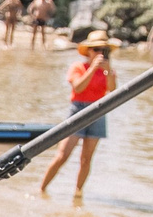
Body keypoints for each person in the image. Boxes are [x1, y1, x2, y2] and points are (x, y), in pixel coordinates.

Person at [41, 29, 120, 196]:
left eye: (103, 50)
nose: (99, 54)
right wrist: (92, 69)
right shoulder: (78, 67)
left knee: (86, 160)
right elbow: (78, 87)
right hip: (78, 110)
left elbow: (112, 90)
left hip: (99, 111)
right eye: (96, 49)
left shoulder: (108, 70)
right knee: (62, 155)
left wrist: (107, 72)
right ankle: (42, 189)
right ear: (89, 51)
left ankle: (77, 194)